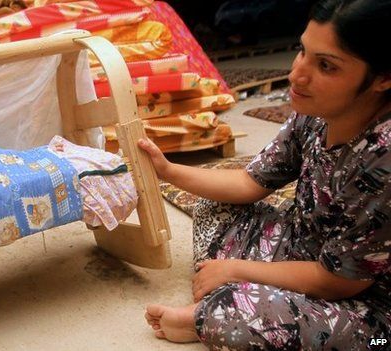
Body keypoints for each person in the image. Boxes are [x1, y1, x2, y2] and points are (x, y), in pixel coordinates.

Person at [139, 0, 391, 349]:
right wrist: (166, 170)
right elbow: (248, 182)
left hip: (368, 306)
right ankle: (232, 293)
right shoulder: (315, 111)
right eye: (302, 51)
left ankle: (215, 307)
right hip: (304, 253)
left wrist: (236, 270)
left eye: (326, 66)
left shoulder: (383, 159)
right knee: (215, 207)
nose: (297, 74)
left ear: (383, 78)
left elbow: (341, 282)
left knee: (233, 318)